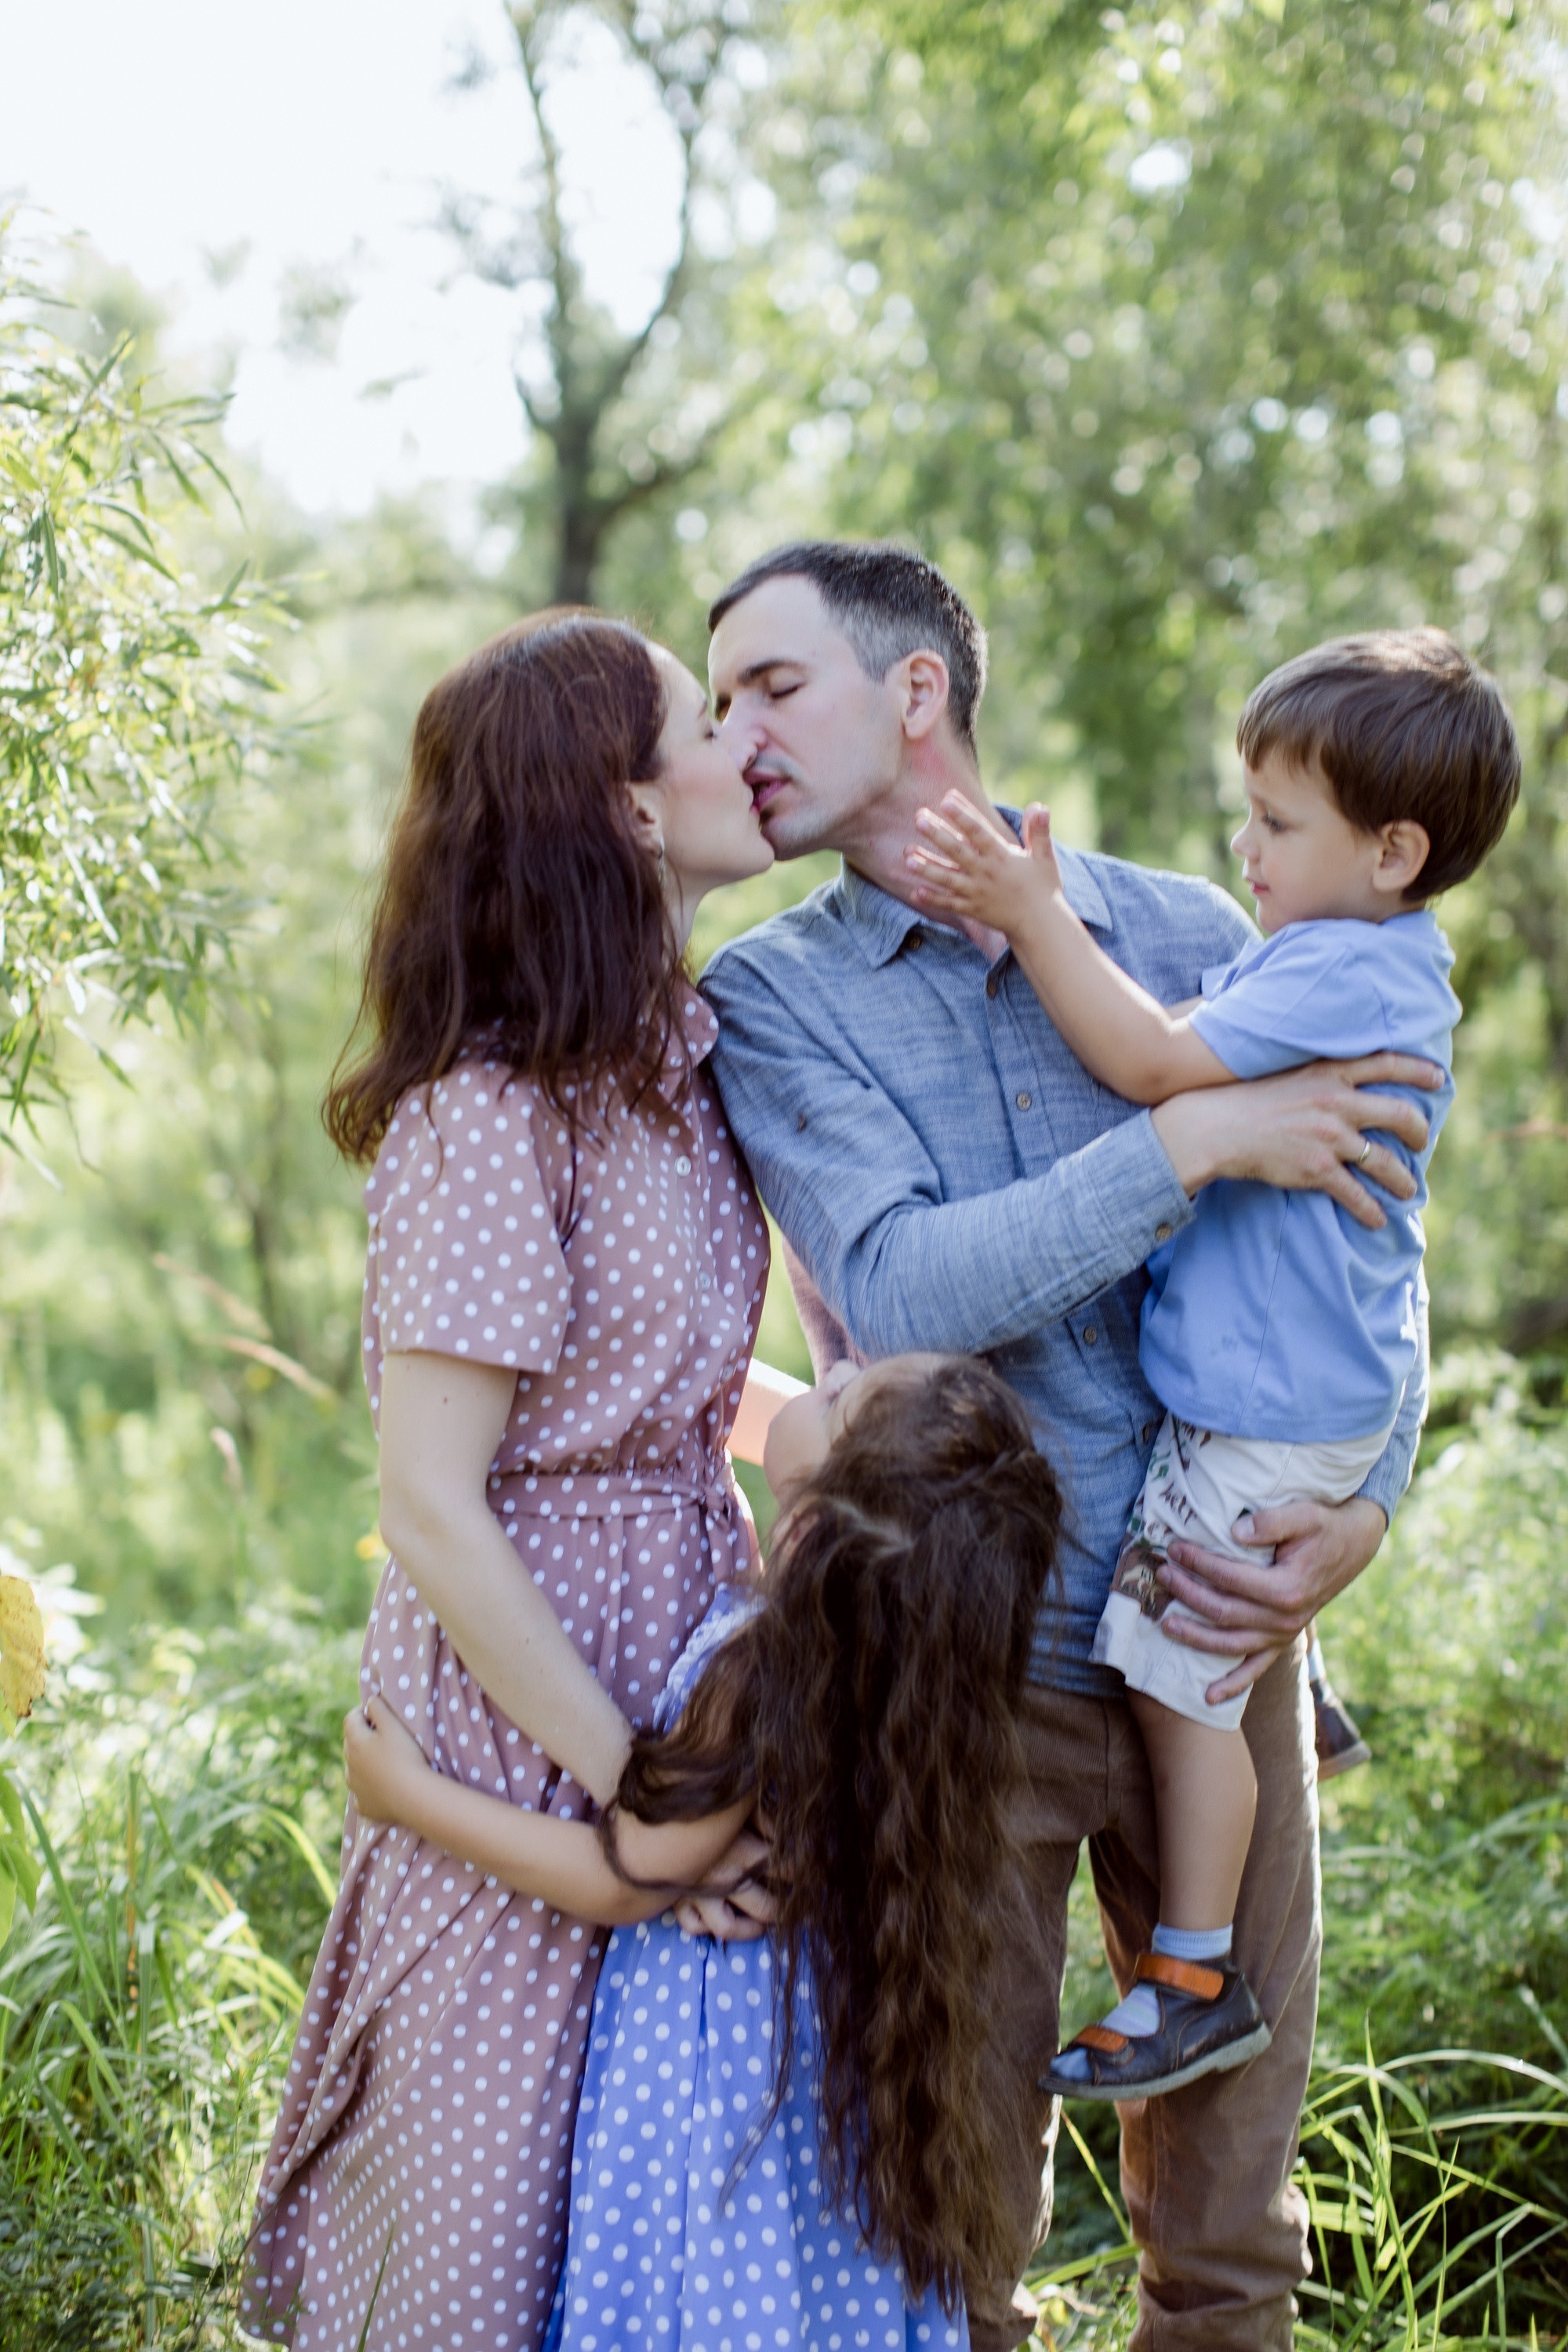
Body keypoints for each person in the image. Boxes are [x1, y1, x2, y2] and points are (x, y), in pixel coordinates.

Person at [699, 541, 1445, 2352]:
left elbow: (1375, 1226)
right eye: (712, 702)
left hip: (1219, 1639)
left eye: (768, 687)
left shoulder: (1191, 925)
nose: (732, 736)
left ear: (916, 693)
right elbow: (906, 1291)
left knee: (1229, 2241)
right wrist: (1191, 1144)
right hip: (966, 1668)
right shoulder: (774, 999)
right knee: (956, 2238)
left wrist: (1368, 1500)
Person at [241, 612, 781, 2352]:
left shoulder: (679, 1079)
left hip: (679, 1635)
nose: (744, 744)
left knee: (639, 2234)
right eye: (708, 718)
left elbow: (664, 1392)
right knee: (479, 2233)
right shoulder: (487, 1109)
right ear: (625, 807)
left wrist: (847, 1430)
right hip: (525, 1687)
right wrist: (631, 1783)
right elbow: (435, 1502)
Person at [905, 629, 1520, 2100]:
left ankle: (1190, 1973)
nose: (1243, 846)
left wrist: (1032, 914)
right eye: (1246, 811)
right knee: (1194, 1645)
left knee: (1181, 1685)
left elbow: (1152, 1061)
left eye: (1278, 822)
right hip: (1276, 1399)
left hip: (1271, 1419)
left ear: (1394, 851)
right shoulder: (1352, 957)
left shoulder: (1343, 976)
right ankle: (1285, 1713)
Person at [343, 1350, 1067, 2352]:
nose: (833, 1364)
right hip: (807, 2098)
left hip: (706, 2110)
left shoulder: (757, 1676)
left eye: (837, 1394)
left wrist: (411, 1798)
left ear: (812, 1525)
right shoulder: (899, 1694)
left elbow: (624, 1871)